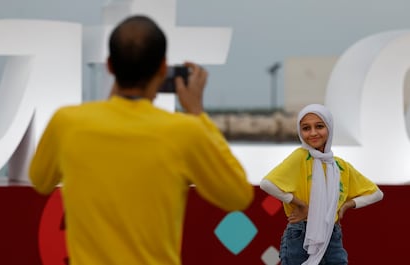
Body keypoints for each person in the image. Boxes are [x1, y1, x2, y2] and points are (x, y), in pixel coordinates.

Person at [29, 15, 254, 265]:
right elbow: (238, 196)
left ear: (109, 66)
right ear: (162, 67)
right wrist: (198, 114)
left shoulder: (67, 123)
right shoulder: (185, 132)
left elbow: (40, 181)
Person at [260, 103, 383, 265]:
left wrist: (346, 205)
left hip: (331, 234)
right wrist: (301, 205)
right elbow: (267, 184)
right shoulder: (301, 157)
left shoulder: (340, 166)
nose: (313, 133)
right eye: (305, 128)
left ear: (329, 128)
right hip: (300, 233)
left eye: (319, 126)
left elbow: (376, 193)